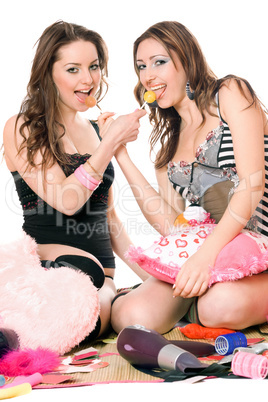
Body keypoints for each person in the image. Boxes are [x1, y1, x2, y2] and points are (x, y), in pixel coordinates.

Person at [111, 21, 268, 335]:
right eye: (141, 66)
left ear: (187, 58)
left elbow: (253, 184)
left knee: (218, 307)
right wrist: (120, 152)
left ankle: (210, 303)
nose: (148, 75)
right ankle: (203, 300)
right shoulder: (168, 148)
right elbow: (172, 225)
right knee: (130, 315)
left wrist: (204, 257)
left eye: (160, 61)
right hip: (208, 252)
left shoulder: (230, 93)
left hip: (261, 243)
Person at [2, 20, 148, 341]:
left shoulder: (96, 131)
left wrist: (155, 274)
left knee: (138, 306)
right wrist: (111, 143)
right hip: (54, 274)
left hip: (102, 281)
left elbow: (109, 221)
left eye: (94, 67)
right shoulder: (24, 127)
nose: (88, 79)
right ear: (47, 74)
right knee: (87, 307)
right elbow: (67, 201)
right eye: (73, 69)